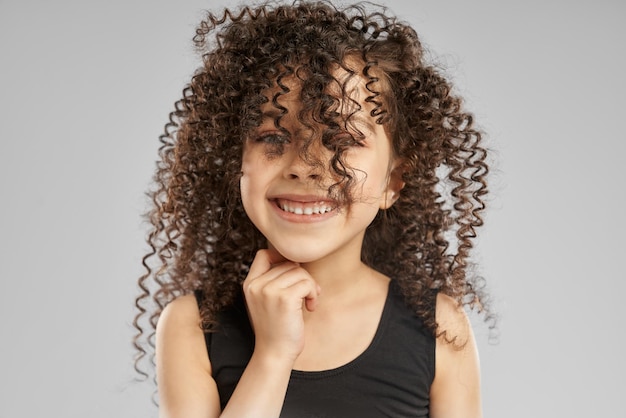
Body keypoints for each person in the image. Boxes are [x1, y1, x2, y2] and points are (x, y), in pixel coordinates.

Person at [133, 1, 494, 417]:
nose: (305, 166)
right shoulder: (191, 326)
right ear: (237, 162)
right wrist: (273, 355)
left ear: (393, 182)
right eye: (272, 135)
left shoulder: (439, 328)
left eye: (340, 140)